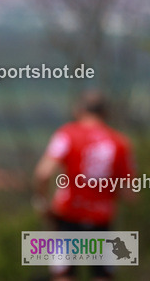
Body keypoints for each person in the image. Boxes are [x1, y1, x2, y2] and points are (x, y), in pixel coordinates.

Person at [33, 90, 137, 281]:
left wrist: (42, 203)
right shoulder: (120, 142)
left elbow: (43, 173)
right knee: (103, 275)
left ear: (79, 110)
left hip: (67, 216)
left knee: (64, 274)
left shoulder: (67, 135)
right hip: (101, 220)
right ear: (106, 114)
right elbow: (130, 194)